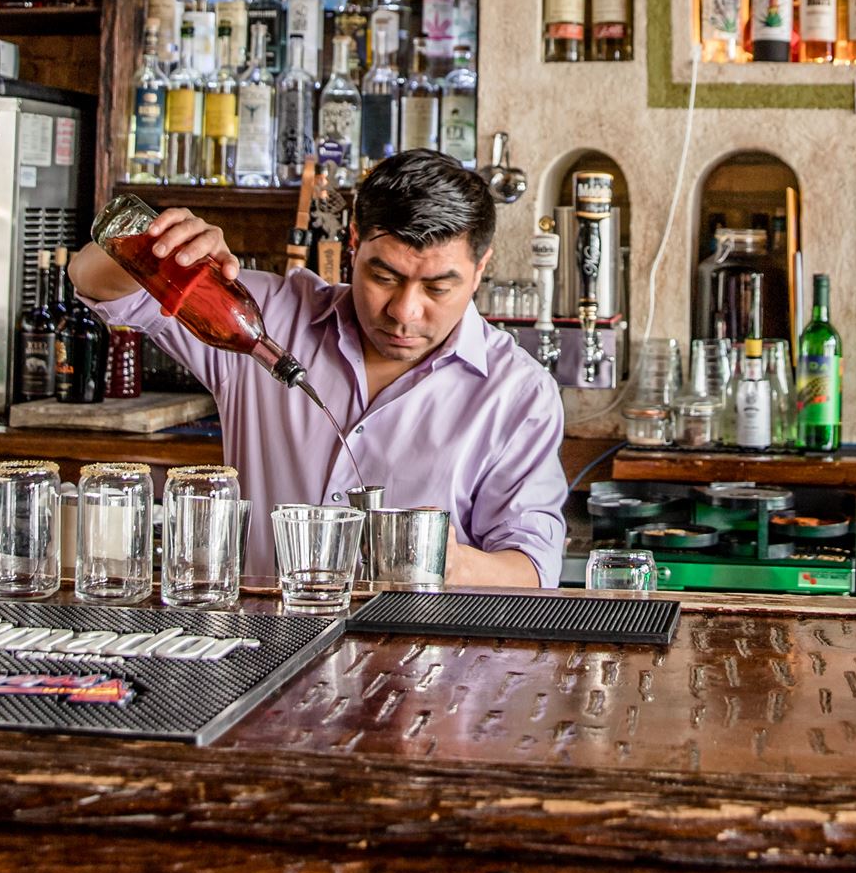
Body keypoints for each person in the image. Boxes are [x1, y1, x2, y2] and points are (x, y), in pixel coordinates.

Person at [68, 150, 564, 587]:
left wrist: (449, 565)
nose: (404, 311)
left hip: (420, 669)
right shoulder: (263, 318)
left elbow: (533, 569)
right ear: (353, 244)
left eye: (438, 287)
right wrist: (166, 247)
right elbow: (93, 281)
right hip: (260, 659)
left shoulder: (517, 394)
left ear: (481, 268)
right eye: (383, 276)